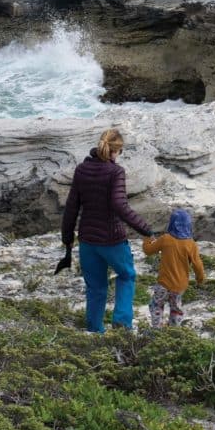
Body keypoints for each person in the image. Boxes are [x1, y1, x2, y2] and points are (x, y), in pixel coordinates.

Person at [61, 128, 153, 333]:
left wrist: (67, 237)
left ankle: (94, 330)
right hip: (112, 240)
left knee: (95, 287)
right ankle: (121, 324)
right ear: (116, 151)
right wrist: (146, 229)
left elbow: (71, 207)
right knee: (127, 276)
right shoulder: (116, 172)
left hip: (87, 241)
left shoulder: (81, 169)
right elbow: (120, 205)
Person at [142, 209, 205, 328]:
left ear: (171, 223)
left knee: (156, 305)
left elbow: (148, 250)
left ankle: (156, 330)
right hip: (179, 286)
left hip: (163, 284)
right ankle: (173, 331)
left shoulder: (166, 239)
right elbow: (198, 265)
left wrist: (147, 238)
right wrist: (200, 279)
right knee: (176, 309)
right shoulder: (191, 244)